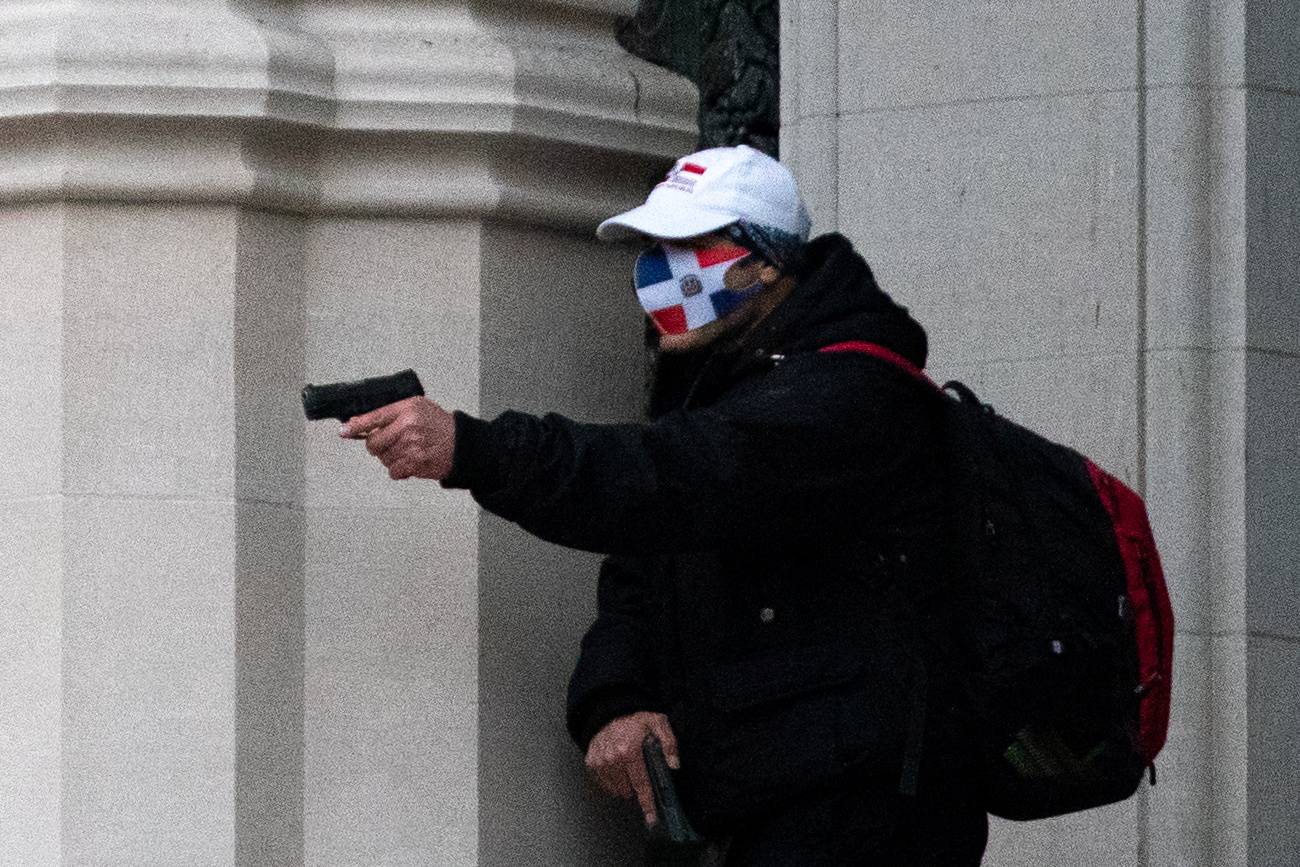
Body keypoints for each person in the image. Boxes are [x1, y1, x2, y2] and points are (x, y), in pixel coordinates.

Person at [341, 145, 988, 865]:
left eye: (688, 246)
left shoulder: (846, 395)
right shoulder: (722, 384)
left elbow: (669, 479)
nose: (660, 269)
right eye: (656, 247)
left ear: (763, 262)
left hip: (859, 816)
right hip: (743, 808)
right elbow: (645, 565)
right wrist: (615, 698)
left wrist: (475, 449)